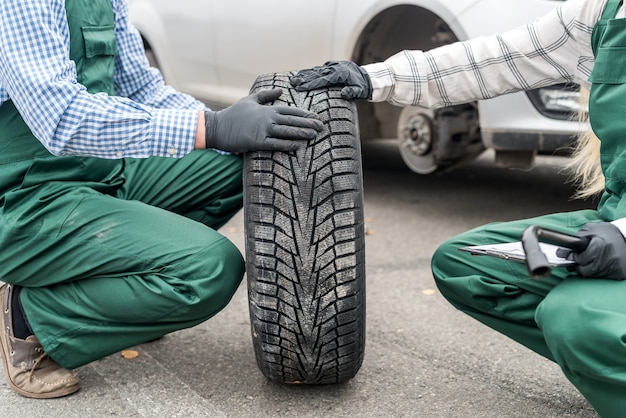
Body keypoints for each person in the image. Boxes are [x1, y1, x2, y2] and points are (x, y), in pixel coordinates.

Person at [291, 0, 626, 415]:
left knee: (574, 320)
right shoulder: (605, 12)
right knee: (465, 265)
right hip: (616, 217)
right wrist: (373, 78)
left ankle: (594, 337)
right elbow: (497, 58)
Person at [0, 0, 323, 399]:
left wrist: (229, 125)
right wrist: (211, 127)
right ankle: (33, 316)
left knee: (248, 164)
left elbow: (141, 88)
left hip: (99, 173)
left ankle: (129, 294)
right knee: (207, 271)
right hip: (23, 199)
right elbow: (62, 118)